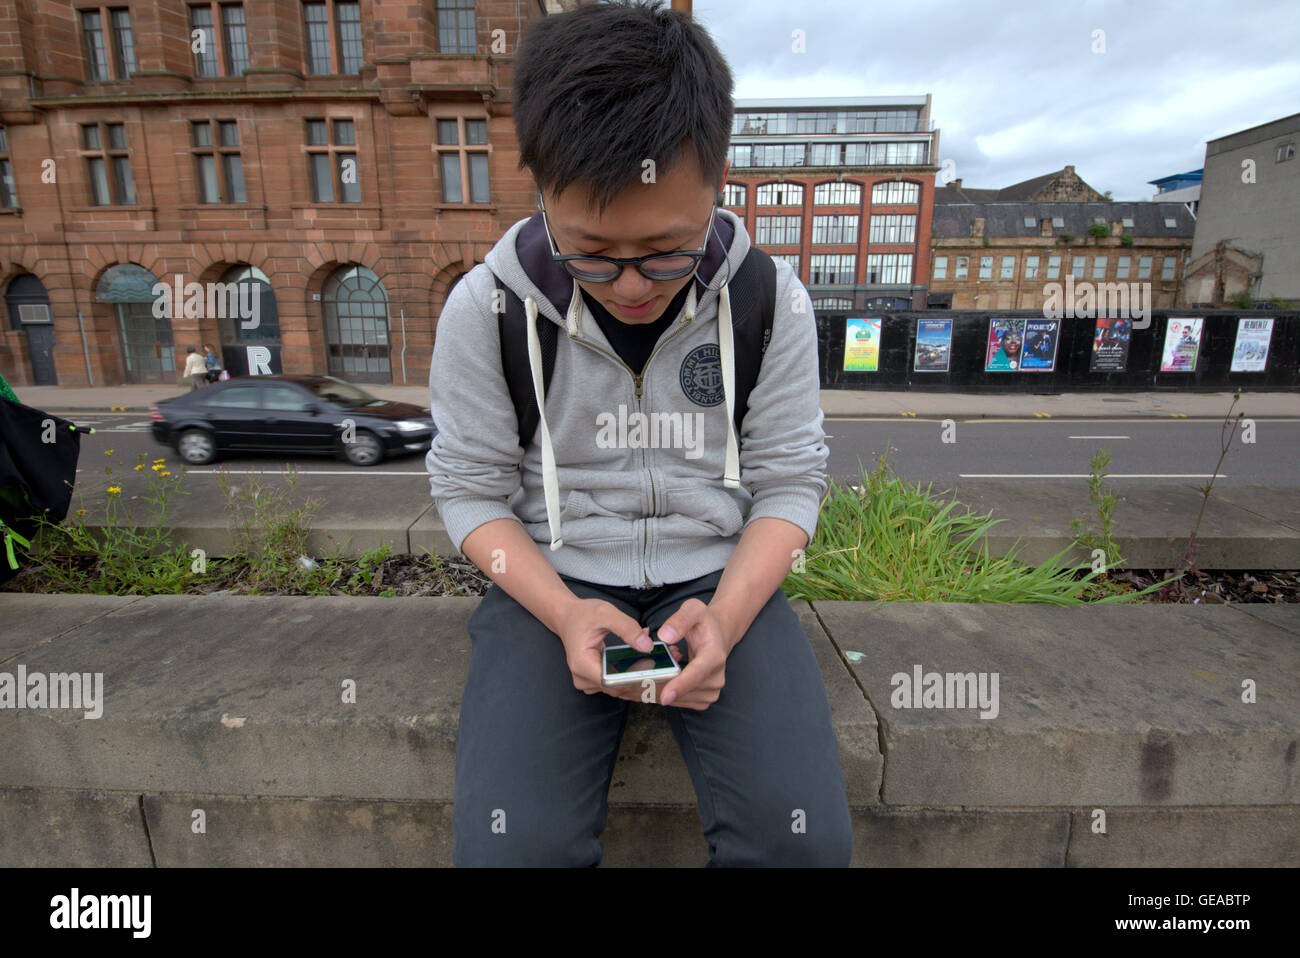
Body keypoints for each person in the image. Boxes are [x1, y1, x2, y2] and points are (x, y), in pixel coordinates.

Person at [426, 0, 851, 867]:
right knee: (515, 854)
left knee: (799, 848)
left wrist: (727, 619)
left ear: (721, 181)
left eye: (667, 252)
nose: (629, 287)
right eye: (592, 253)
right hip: (553, 576)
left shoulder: (771, 301)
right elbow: (469, 491)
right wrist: (566, 608)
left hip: (720, 571)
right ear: (541, 188)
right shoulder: (487, 308)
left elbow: (789, 482)